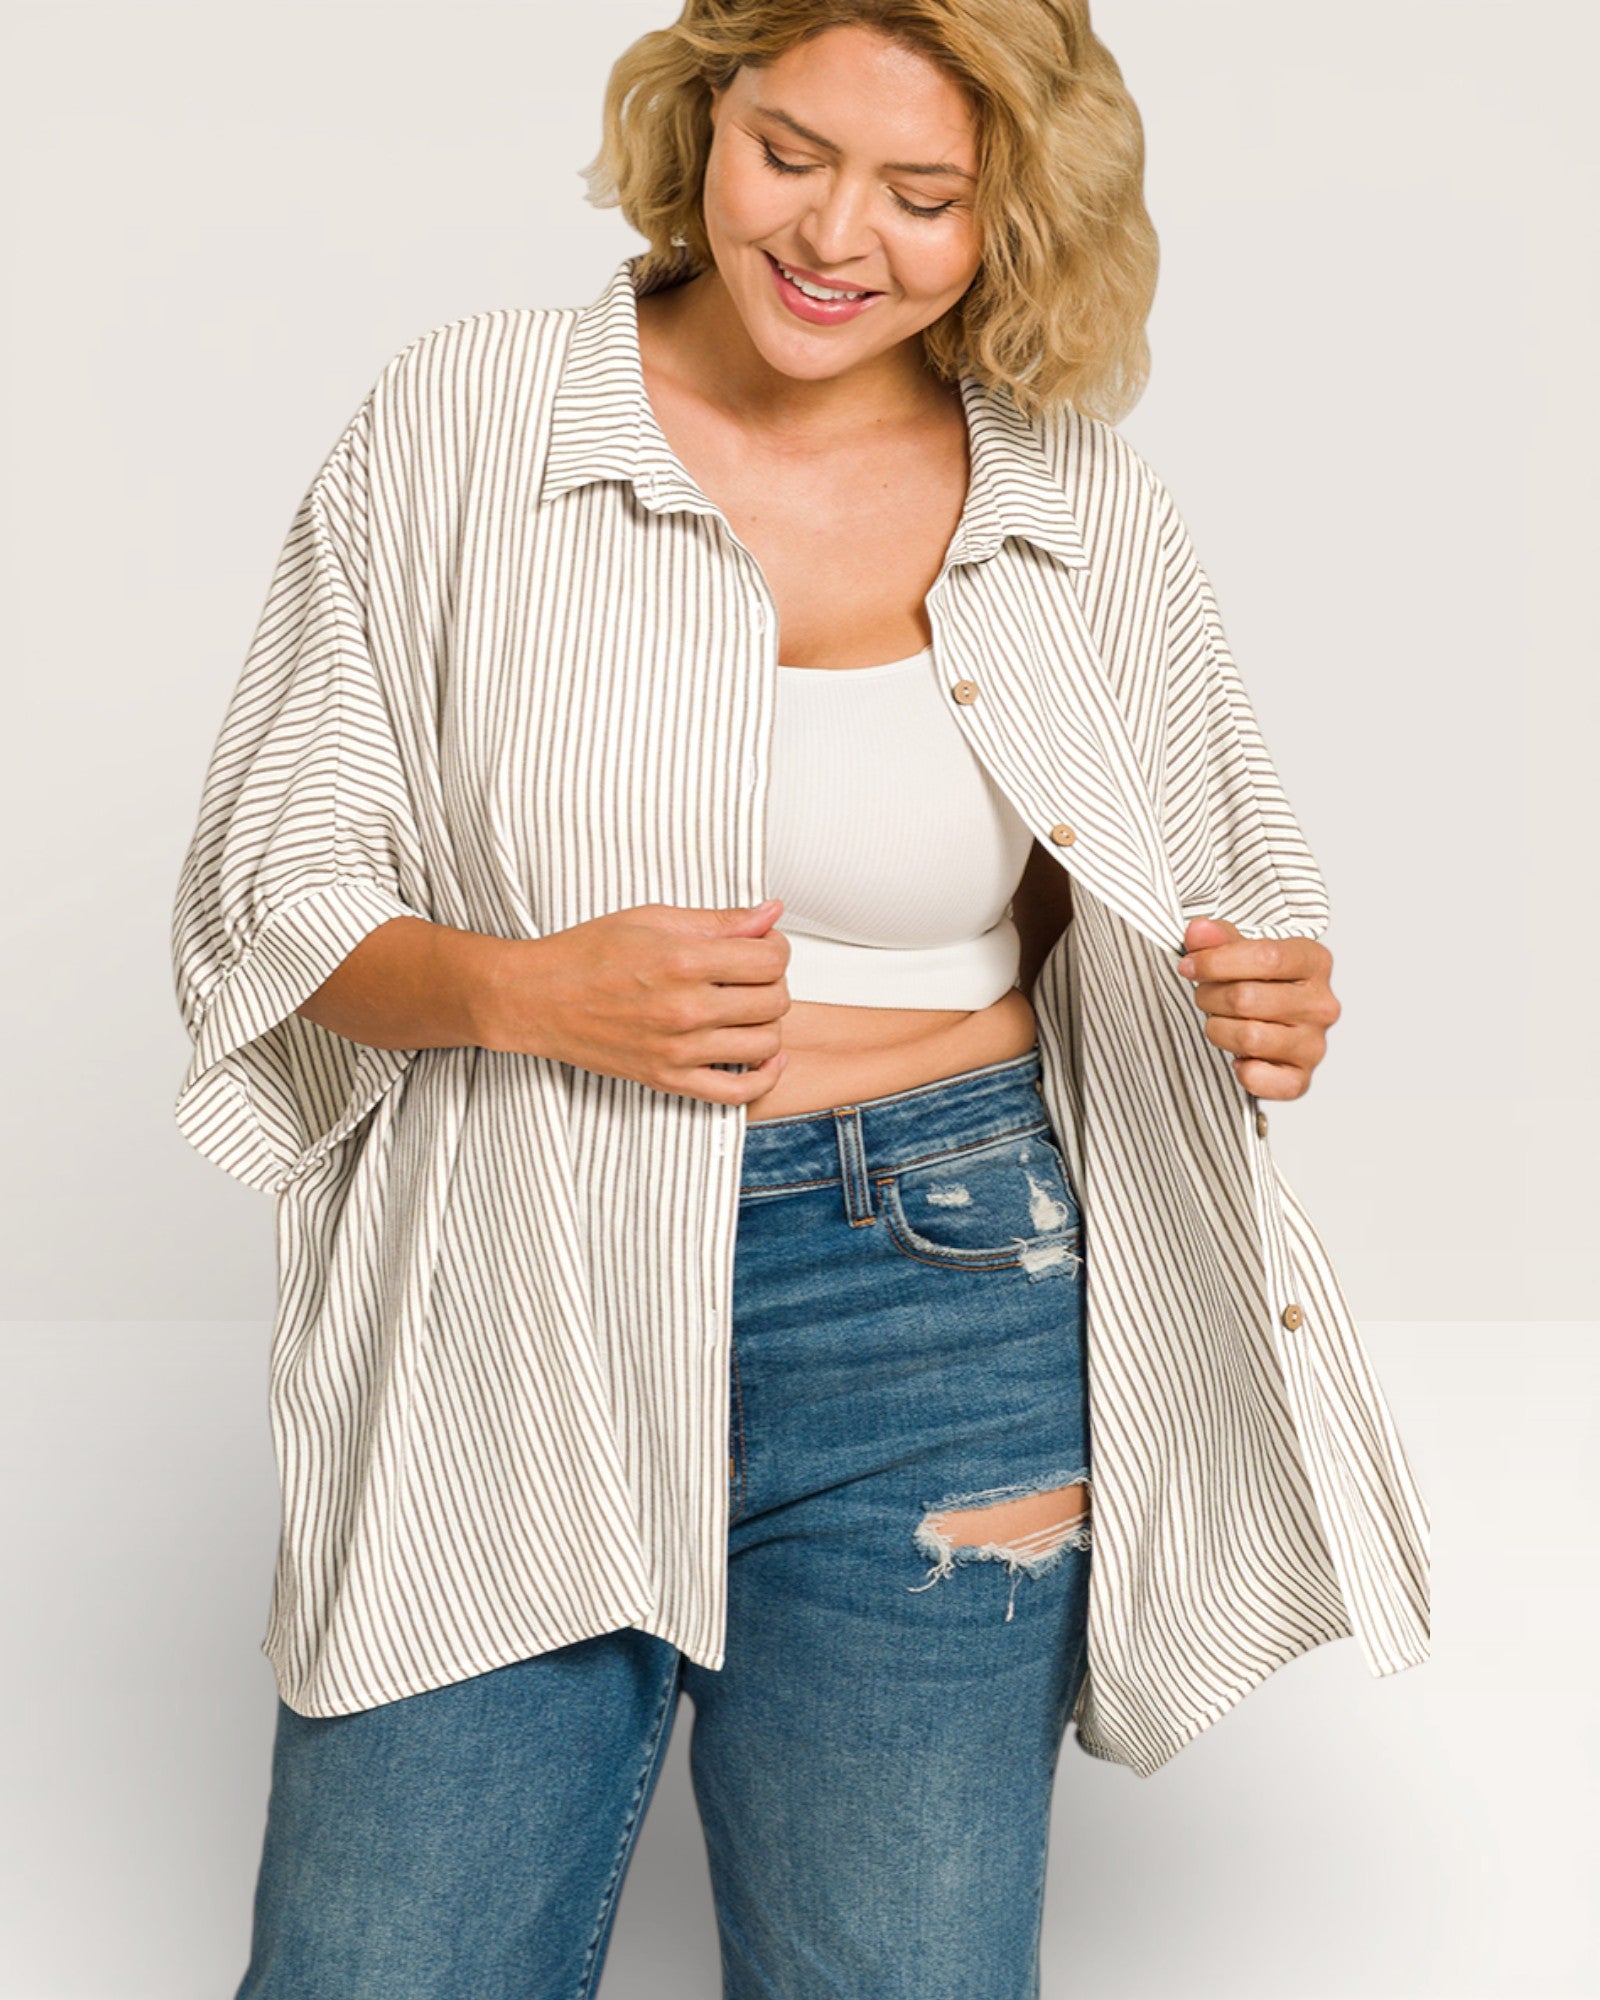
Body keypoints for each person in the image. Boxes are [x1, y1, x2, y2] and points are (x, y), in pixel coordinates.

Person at [171, 4, 1431, 1994]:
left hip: (949, 1295)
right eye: (790, 152)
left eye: (921, 193)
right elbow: (268, 890)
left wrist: (1257, 1001)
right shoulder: (468, 421)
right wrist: (523, 990)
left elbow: (1223, 898)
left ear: (1007, 214)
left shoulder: (1086, 502)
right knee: (378, 1964)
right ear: (701, 121)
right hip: (523, 1273)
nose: (836, 232)